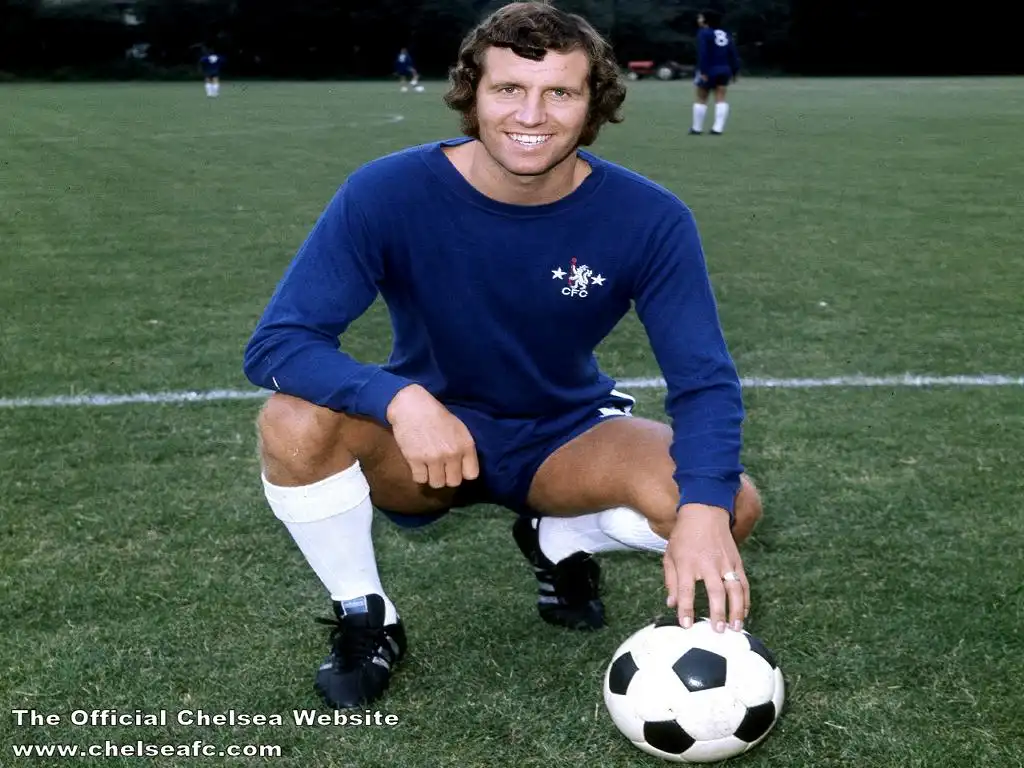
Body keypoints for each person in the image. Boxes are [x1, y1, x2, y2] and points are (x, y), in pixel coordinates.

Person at [243, 0, 762, 711]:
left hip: (564, 434)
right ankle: (367, 615)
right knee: (292, 420)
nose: (532, 114)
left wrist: (702, 512)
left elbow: (703, 381)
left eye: (560, 92)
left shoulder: (650, 217)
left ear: (593, 103)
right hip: (424, 444)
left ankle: (560, 539)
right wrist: (400, 398)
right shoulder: (386, 191)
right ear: (473, 94)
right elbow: (279, 342)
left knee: (729, 504)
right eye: (509, 88)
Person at [690, 10, 740, 135]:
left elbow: (703, 53)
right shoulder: (726, 33)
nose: (699, 20)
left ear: (706, 20)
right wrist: (735, 71)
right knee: (721, 98)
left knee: (701, 98)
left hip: (709, 69)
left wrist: (703, 71)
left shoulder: (703, 33)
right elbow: (733, 53)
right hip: (725, 70)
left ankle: (697, 128)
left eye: (701, 18)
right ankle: (718, 128)